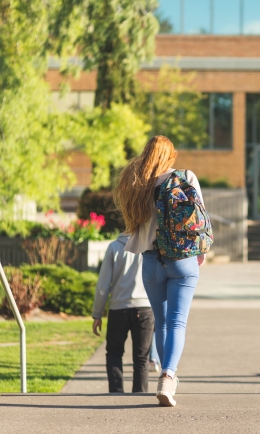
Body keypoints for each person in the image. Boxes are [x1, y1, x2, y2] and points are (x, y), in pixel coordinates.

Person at [114, 135, 208, 407]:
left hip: (152, 262)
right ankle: (168, 377)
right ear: (170, 156)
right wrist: (200, 251)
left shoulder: (137, 185)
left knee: (163, 322)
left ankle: (166, 377)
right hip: (182, 258)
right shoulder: (185, 176)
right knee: (178, 322)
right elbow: (199, 217)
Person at [92, 233, 154, 393]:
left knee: (114, 352)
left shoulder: (114, 247)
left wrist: (97, 313)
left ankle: (116, 392)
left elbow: (103, 285)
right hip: (145, 307)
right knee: (142, 358)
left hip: (118, 308)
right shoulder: (150, 244)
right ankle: (139, 395)